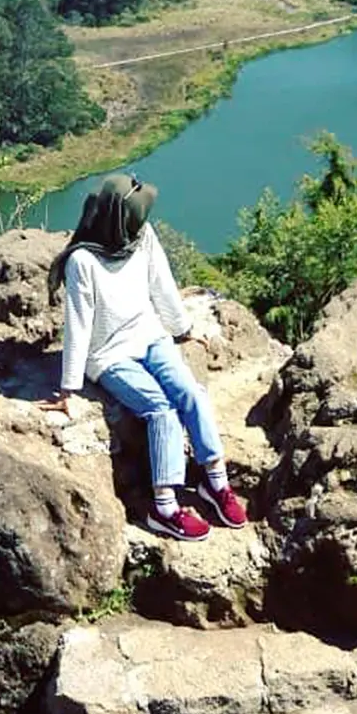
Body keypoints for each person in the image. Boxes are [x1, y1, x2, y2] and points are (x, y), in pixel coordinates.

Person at [41, 172, 247, 542]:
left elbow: (162, 285)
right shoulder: (83, 262)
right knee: (160, 409)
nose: (142, 222)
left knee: (191, 392)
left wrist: (182, 329)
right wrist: (69, 388)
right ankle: (164, 507)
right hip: (107, 354)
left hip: (150, 335)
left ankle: (214, 482)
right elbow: (79, 324)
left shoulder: (141, 237)